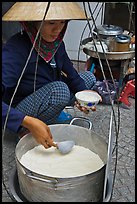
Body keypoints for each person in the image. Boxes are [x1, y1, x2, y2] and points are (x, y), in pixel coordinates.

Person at [2, 2, 98, 149]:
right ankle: (24, 129)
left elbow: (72, 74)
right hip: (21, 106)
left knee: (88, 79)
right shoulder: (16, 48)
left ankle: (51, 114)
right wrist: (26, 121)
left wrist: (82, 96)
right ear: (33, 22)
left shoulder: (56, 44)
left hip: (47, 92)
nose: (57, 30)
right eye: (51, 23)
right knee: (60, 90)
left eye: (62, 23)